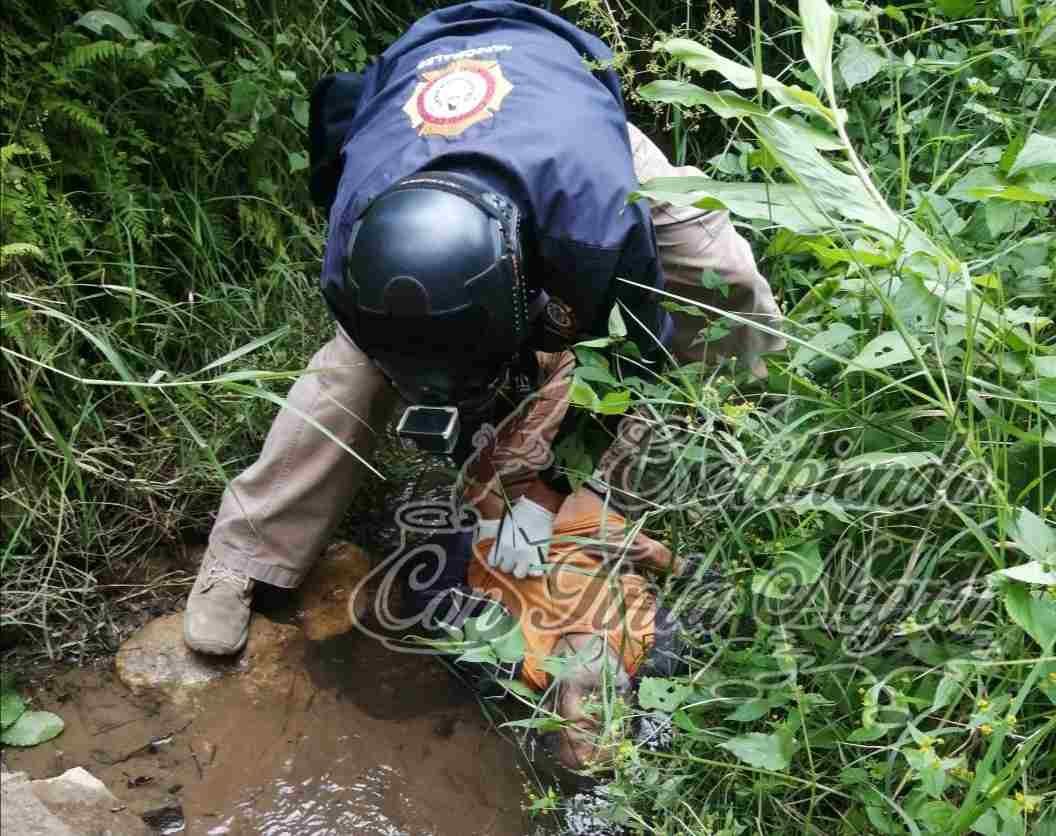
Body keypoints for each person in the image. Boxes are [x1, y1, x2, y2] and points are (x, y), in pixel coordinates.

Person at [183, 0, 784, 656]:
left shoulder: (595, 226)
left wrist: (550, 493)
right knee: (352, 368)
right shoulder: (355, 247)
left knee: (727, 284)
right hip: (421, 143)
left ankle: (730, 438)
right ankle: (246, 552)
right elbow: (384, 343)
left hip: (572, 143)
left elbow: (623, 349)